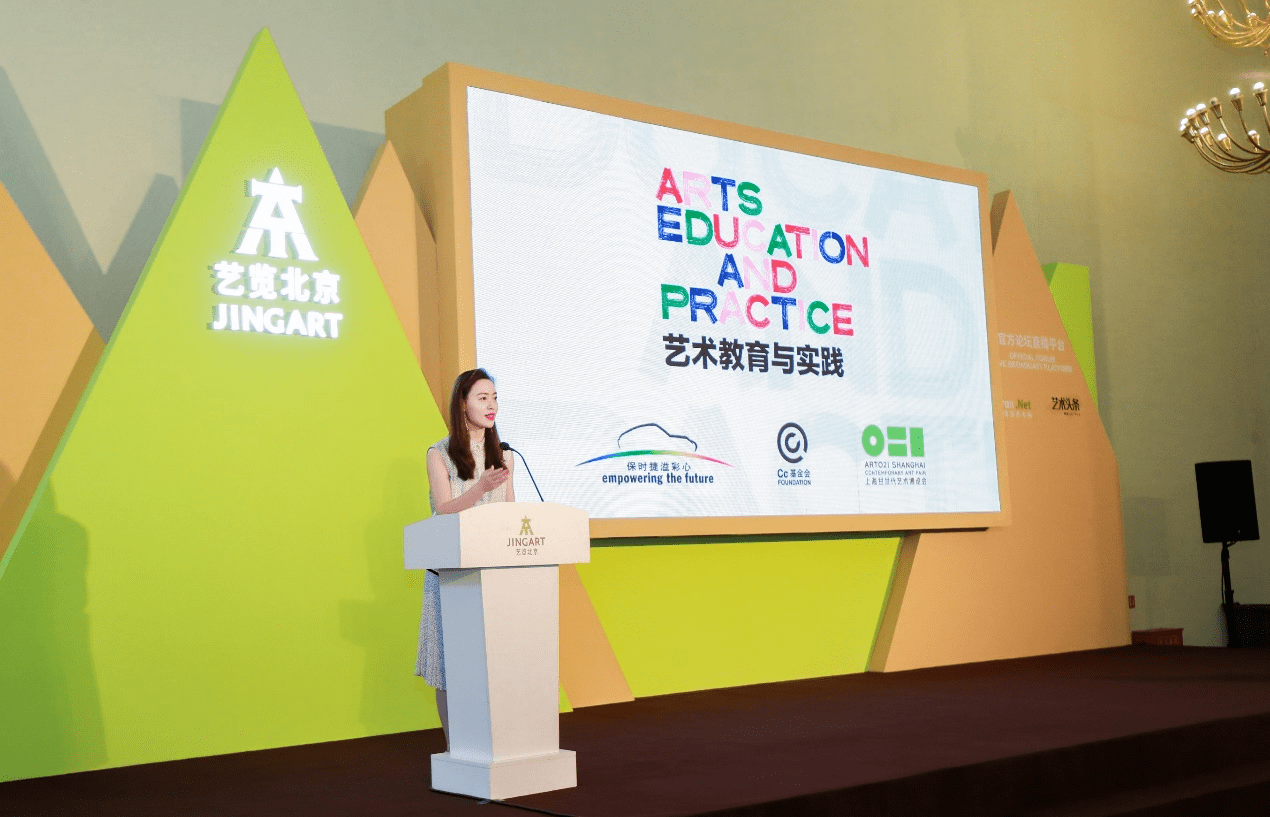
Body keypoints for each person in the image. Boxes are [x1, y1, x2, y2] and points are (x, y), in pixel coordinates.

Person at [416, 368, 514, 748]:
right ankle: (457, 748)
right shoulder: (438, 454)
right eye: (482, 398)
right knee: (450, 666)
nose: (492, 406)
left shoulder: (504, 455)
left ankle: (493, 743)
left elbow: (509, 514)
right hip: (453, 575)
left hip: (495, 574)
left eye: (495, 398)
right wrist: (480, 488)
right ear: (462, 404)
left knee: (492, 664)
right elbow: (443, 509)